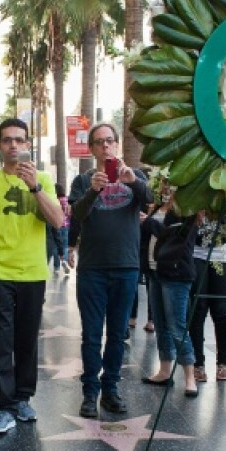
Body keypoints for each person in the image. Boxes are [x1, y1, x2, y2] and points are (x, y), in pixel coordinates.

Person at [0, 117, 63, 434]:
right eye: (7, 139)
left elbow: (57, 221)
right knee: (0, 342)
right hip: (0, 272)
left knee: (26, 340)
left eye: (19, 140)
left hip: (34, 273)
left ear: (27, 144)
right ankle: (5, 406)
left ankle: (23, 398)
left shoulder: (44, 180)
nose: (13, 145)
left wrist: (35, 186)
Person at [68, 122, 153, 418]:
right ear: (91, 149)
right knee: (91, 335)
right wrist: (93, 191)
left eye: (110, 141)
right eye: (99, 142)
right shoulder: (82, 180)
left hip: (126, 267)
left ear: (117, 145)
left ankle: (111, 390)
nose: (106, 146)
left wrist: (133, 182)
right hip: (92, 268)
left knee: (117, 335)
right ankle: (90, 393)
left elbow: (151, 199)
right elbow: (76, 215)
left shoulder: (135, 176)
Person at [140, 189, 200, 396]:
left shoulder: (187, 212)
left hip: (176, 274)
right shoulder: (157, 207)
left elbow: (170, 236)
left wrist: (147, 221)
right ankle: (165, 371)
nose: (167, 188)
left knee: (177, 326)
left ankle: (190, 376)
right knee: (161, 323)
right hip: (154, 270)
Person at [188, 214, 226, 382]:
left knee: (219, 311)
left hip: (223, 256)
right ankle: (197, 364)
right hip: (197, 254)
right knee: (198, 309)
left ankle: (222, 363)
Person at [47, 182, 71, 271]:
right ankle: (64, 260)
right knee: (64, 245)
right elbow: (69, 213)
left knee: (55, 244)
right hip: (65, 225)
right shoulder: (66, 200)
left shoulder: (54, 200)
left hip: (55, 224)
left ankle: (56, 266)